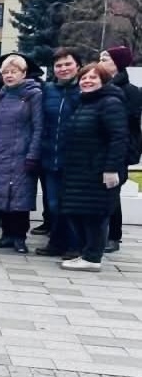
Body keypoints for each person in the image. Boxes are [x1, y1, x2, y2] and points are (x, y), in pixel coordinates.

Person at [60, 63, 129, 272]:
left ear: (104, 81)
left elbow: (119, 138)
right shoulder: (85, 102)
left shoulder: (110, 103)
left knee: (95, 215)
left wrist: (111, 168)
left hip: (98, 171)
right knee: (78, 212)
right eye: (84, 78)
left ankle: (92, 257)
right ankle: (86, 254)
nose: (87, 81)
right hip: (80, 170)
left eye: (93, 78)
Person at [0, 55, 43, 254]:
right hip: (0, 152)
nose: (9, 75)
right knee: (2, 194)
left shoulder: (33, 95)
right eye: (6, 72)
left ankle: (20, 237)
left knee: (20, 196)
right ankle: (6, 235)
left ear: (24, 73)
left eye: (14, 72)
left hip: (23, 153)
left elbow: (38, 127)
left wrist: (33, 154)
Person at [35, 49, 83, 258]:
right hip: (50, 157)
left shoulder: (85, 89)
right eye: (59, 65)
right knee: (54, 204)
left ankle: (76, 245)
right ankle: (57, 242)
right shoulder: (48, 90)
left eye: (68, 64)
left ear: (78, 66)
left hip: (76, 159)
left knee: (72, 205)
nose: (63, 69)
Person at [99, 46, 141, 253]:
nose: (100, 62)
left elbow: (128, 123)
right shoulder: (100, 85)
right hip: (99, 148)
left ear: (117, 64)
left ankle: (114, 235)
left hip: (119, 149)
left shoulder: (130, 91)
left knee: (112, 193)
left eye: (105, 59)